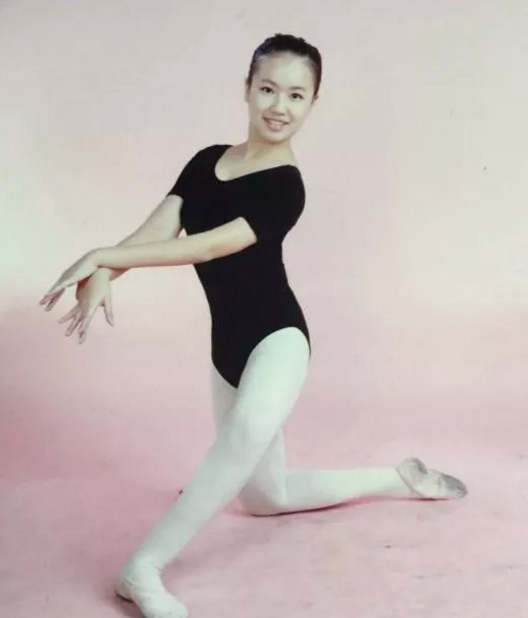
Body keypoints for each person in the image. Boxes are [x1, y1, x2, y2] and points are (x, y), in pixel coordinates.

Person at [40, 34, 467, 618]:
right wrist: (106, 269)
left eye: (296, 95)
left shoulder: (286, 186)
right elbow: (158, 232)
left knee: (242, 435)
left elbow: (209, 246)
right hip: (228, 349)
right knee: (268, 496)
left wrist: (102, 255)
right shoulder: (204, 161)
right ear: (246, 89)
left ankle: (142, 568)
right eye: (268, 89)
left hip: (278, 339)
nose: (279, 106)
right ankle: (397, 478)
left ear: (312, 104)